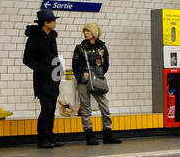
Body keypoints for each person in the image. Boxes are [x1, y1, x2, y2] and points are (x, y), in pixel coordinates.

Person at [72, 22, 120, 145]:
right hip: (83, 81)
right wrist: (82, 76)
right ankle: (89, 135)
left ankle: (107, 133)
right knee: (85, 108)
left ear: (94, 32)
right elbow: (75, 66)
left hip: (97, 80)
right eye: (84, 31)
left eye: (87, 31)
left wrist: (97, 75)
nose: (85, 33)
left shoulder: (102, 48)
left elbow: (106, 65)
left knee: (104, 105)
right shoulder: (80, 48)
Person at [23, 9, 63, 148]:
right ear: (45, 23)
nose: (55, 22)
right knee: (46, 108)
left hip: (53, 78)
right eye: (53, 20)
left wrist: (58, 71)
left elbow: (54, 57)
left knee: (52, 109)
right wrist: (44, 69)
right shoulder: (34, 38)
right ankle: (42, 138)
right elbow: (27, 59)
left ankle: (50, 136)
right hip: (42, 79)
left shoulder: (52, 37)